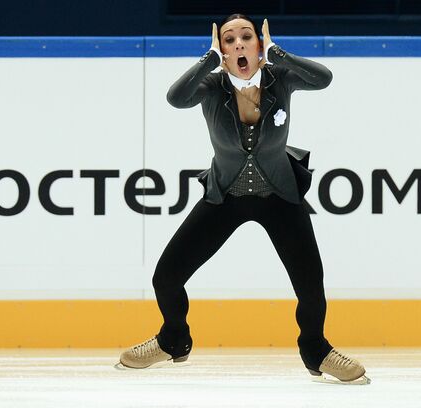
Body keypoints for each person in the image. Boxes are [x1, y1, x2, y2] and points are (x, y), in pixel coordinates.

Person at [118, 14, 370, 384]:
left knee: (311, 284)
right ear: (222, 49)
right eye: (229, 39)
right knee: (166, 277)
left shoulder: (279, 78)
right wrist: (207, 59)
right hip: (226, 197)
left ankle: (316, 351)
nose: (238, 44)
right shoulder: (212, 85)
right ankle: (173, 340)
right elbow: (175, 98)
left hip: (280, 196)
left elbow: (324, 78)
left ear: (258, 44)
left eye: (246, 37)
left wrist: (278, 53)